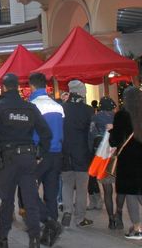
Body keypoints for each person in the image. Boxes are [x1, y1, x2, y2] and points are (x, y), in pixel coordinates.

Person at [0, 73, 52, 248]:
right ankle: (35, 240)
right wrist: (39, 154)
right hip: (28, 158)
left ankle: (2, 238)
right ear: (18, 87)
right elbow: (46, 133)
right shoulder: (29, 108)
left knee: (7, 200)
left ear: (4, 88)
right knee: (30, 200)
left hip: (7, 160)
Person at [29, 73, 64, 246]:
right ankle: (50, 233)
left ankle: (49, 222)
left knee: (28, 190)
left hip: (39, 155)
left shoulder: (32, 105)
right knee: (51, 193)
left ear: (32, 87)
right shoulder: (57, 106)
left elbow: (32, 134)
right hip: (56, 154)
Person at [109, 87, 142, 239]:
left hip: (128, 160)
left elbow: (114, 141)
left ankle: (137, 227)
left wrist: (111, 131)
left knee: (130, 193)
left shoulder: (121, 115)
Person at [61, 80, 94, 228]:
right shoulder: (88, 110)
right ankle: (80, 218)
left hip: (65, 152)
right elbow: (90, 135)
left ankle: (67, 211)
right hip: (82, 153)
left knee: (67, 183)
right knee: (81, 187)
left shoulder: (62, 108)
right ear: (81, 92)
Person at [90, 96, 125, 229]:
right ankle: (119, 215)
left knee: (107, 190)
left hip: (103, 157)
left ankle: (111, 220)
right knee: (121, 188)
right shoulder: (119, 118)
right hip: (118, 156)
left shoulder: (95, 118)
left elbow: (91, 136)